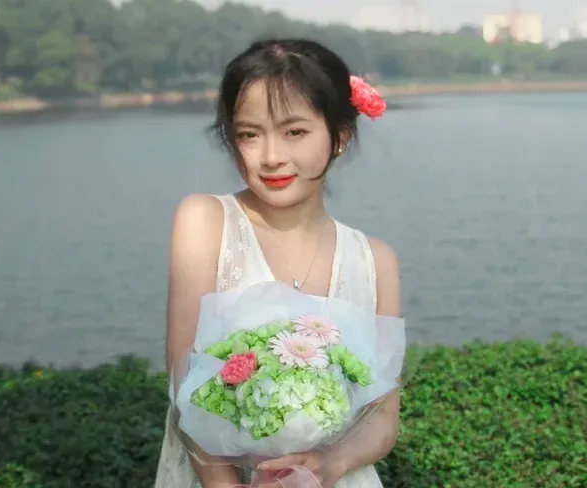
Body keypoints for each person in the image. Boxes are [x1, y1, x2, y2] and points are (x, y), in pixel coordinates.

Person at [155, 38, 403, 488]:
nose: (271, 157)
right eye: (249, 134)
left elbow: (383, 419)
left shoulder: (375, 262)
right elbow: (184, 387)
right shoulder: (205, 222)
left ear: (340, 136)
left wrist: (331, 463)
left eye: (295, 132)